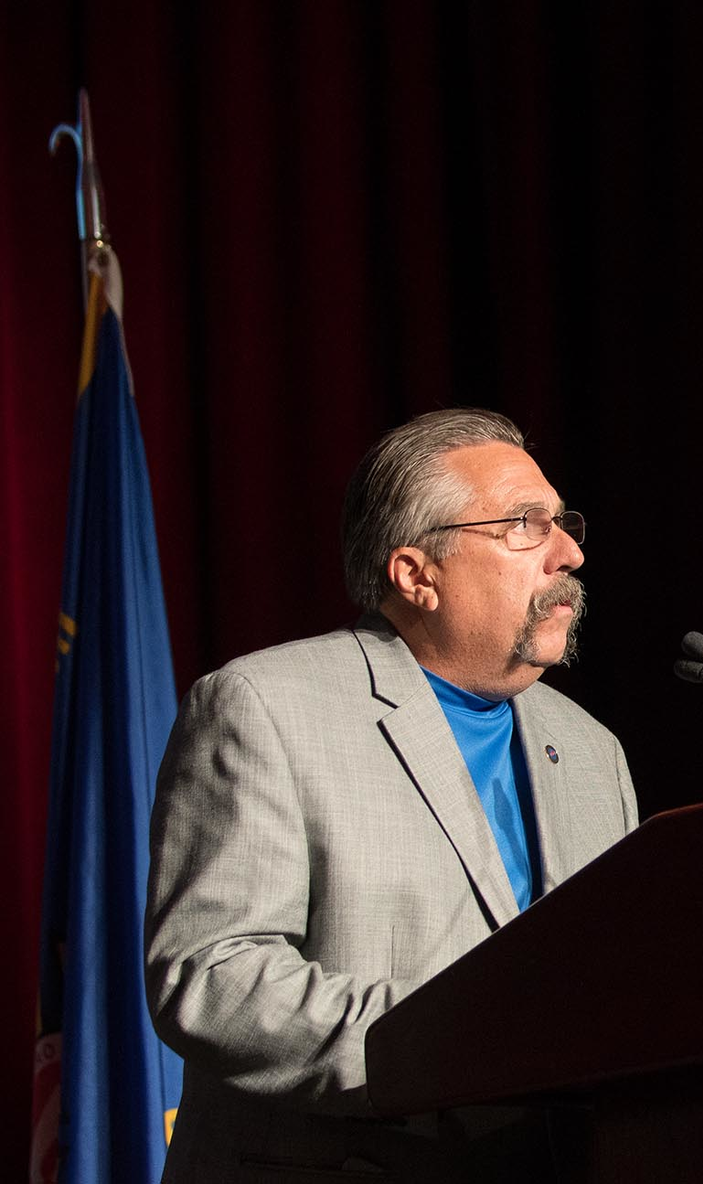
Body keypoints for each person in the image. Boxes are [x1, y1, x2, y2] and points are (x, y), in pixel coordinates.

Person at [145, 408, 638, 1181]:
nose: (569, 552)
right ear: (417, 575)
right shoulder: (265, 706)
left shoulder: (591, 751)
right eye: (526, 525)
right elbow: (212, 976)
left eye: (563, 523)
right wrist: (452, 1043)